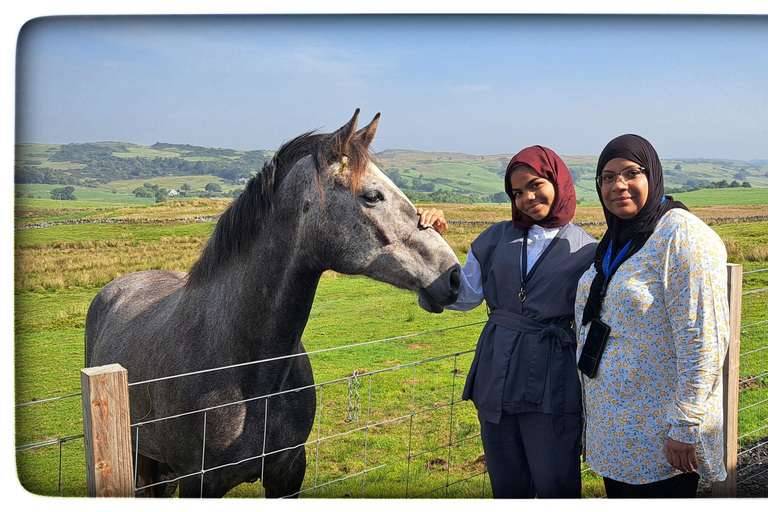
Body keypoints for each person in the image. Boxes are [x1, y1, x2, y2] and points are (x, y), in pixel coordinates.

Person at [418, 146, 597, 498]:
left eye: (535, 185)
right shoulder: (495, 238)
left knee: (554, 482)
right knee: (506, 483)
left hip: (551, 377)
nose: (527, 198)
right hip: (496, 368)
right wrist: (431, 242)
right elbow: (465, 296)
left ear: (558, 181)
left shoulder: (587, 250)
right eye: (517, 192)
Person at [574, 134, 729, 498]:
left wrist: (685, 426)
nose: (618, 185)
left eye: (631, 172)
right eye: (607, 177)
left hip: (662, 434)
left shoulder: (683, 236)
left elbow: (704, 340)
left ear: (654, 174)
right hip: (617, 430)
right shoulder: (616, 239)